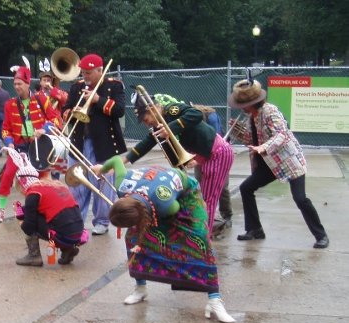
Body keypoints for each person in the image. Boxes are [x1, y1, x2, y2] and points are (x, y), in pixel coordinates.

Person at [94, 156, 235, 323]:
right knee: (134, 239)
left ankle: (214, 298)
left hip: (184, 195)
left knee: (200, 241)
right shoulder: (122, 186)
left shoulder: (165, 203)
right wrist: (101, 169)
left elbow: (173, 210)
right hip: (148, 195)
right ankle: (140, 288)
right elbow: (117, 161)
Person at [228, 78, 329, 248]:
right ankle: (255, 229)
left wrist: (264, 147)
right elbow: (251, 140)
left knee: (300, 199)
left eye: (242, 105)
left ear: (251, 103)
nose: (241, 108)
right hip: (269, 164)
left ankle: (321, 235)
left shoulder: (270, 111)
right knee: (246, 188)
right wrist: (239, 131)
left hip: (288, 162)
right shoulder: (251, 117)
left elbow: (282, 134)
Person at [124, 93, 234, 236]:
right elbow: (147, 143)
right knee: (201, 198)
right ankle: (199, 233)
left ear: (153, 108)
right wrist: (125, 160)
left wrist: (170, 128)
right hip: (205, 155)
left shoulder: (172, 109)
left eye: (146, 119)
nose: (147, 123)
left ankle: (203, 238)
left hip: (218, 153)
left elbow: (196, 114)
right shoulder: (160, 125)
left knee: (209, 199)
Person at [62, 53, 126, 235]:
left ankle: (102, 221)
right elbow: (65, 108)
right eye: (83, 72)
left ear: (100, 70)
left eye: (89, 72)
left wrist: (98, 100)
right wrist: (70, 112)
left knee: (102, 183)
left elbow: (120, 110)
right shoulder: (77, 87)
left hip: (104, 143)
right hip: (79, 142)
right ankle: (76, 220)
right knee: (76, 185)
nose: (85, 76)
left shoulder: (114, 86)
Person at [0, 62, 62, 223]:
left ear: (27, 83)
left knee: (42, 177)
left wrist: (44, 129)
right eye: (15, 84)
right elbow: (5, 129)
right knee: (8, 175)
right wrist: (9, 142)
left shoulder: (41, 98)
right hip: (18, 147)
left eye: (19, 84)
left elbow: (56, 119)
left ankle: (45, 208)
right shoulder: (10, 104)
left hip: (39, 145)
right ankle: (1, 210)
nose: (16, 87)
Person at [4, 148, 85, 266]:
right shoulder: (57, 184)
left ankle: (34, 256)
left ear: (22, 182)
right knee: (56, 217)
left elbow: (29, 227)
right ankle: (68, 249)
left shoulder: (34, 192)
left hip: (63, 235)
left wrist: (20, 219)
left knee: (25, 214)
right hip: (78, 232)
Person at [192, 104, 233, 235]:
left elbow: (214, 135)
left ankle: (227, 216)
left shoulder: (212, 117)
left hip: (217, 152)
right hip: (200, 152)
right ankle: (207, 215)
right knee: (202, 184)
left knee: (222, 187)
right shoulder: (193, 120)